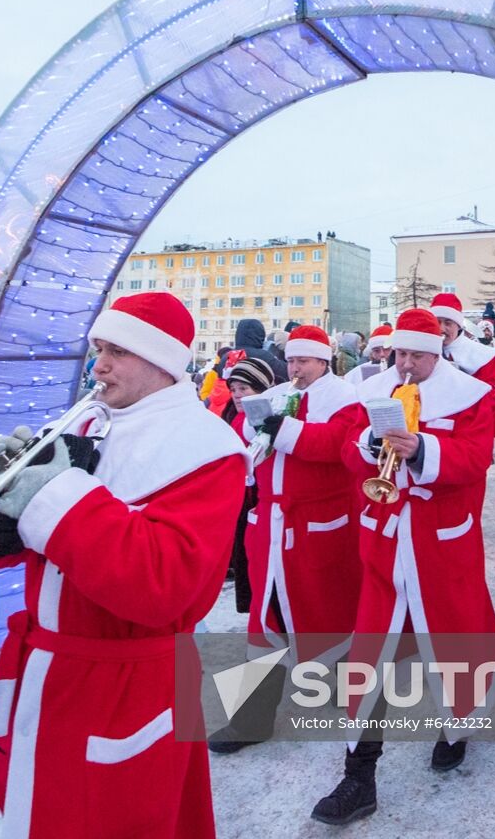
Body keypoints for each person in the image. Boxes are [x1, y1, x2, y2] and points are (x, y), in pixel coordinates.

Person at [0, 292, 247, 838]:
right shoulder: (93, 425)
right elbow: (65, 545)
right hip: (52, 671)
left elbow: (163, 583)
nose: (98, 365)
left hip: (123, 686)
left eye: (116, 351)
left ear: (161, 361)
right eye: (99, 349)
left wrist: (50, 494)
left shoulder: (206, 447)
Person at [312, 309, 495, 825]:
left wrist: (424, 451)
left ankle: (457, 726)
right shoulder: (376, 390)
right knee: (370, 654)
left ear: (436, 351)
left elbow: (475, 458)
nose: (406, 364)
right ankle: (359, 774)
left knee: (454, 640)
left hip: (442, 546)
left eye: (416, 354)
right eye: (400, 354)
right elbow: (348, 452)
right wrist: (371, 446)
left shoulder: (471, 395)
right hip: (386, 543)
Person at [211, 325, 363, 753]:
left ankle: (342, 685)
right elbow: (247, 432)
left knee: (331, 611)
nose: (296, 368)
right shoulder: (277, 395)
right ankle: (250, 719)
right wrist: (255, 424)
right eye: (292, 360)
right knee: (266, 620)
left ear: (323, 361)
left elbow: (338, 445)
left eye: (304, 361)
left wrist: (284, 432)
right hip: (272, 529)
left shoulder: (345, 398)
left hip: (320, 530)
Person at [220, 357, 275, 613]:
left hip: (259, 497)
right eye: (233, 390)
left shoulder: (271, 416)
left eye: (244, 389)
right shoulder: (231, 415)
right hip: (240, 497)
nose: (237, 395)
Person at [429, 294, 495, 386]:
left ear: (458, 326)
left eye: (448, 323)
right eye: (437, 322)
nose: (441, 329)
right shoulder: (419, 352)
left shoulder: (484, 357)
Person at [234, 318, 288, 383]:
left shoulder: (226, 356)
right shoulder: (262, 356)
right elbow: (285, 373)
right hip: (258, 392)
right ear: (260, 334)